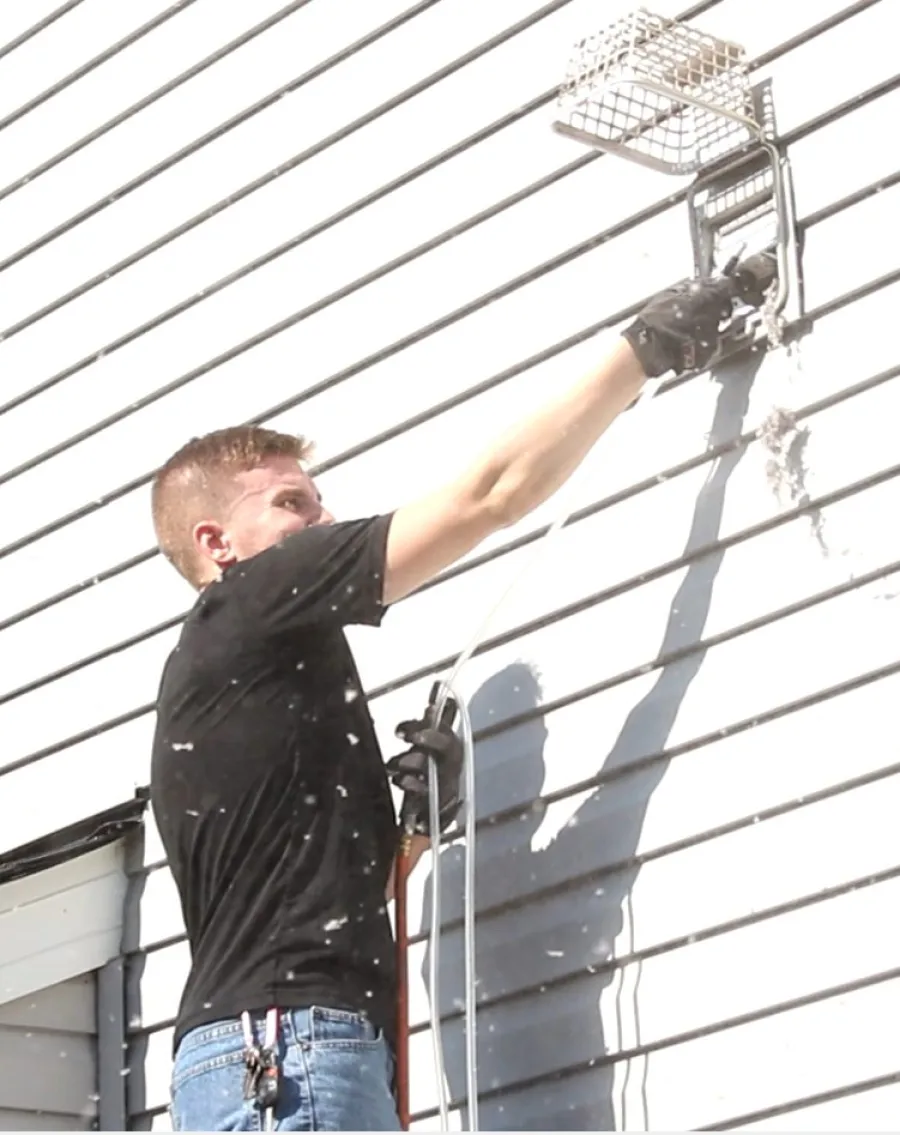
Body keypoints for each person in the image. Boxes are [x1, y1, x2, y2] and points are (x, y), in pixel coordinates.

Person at [148, 264, 767, 1132]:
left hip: (266, 1052)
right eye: (292, 504)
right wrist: (643, 351)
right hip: (288, 1051)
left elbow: (302, 895)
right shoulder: (251, 599)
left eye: (320, 504)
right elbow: (489, 495)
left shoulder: (244, 675)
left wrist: (405, 829)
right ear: (218, 544)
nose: (322, 525)